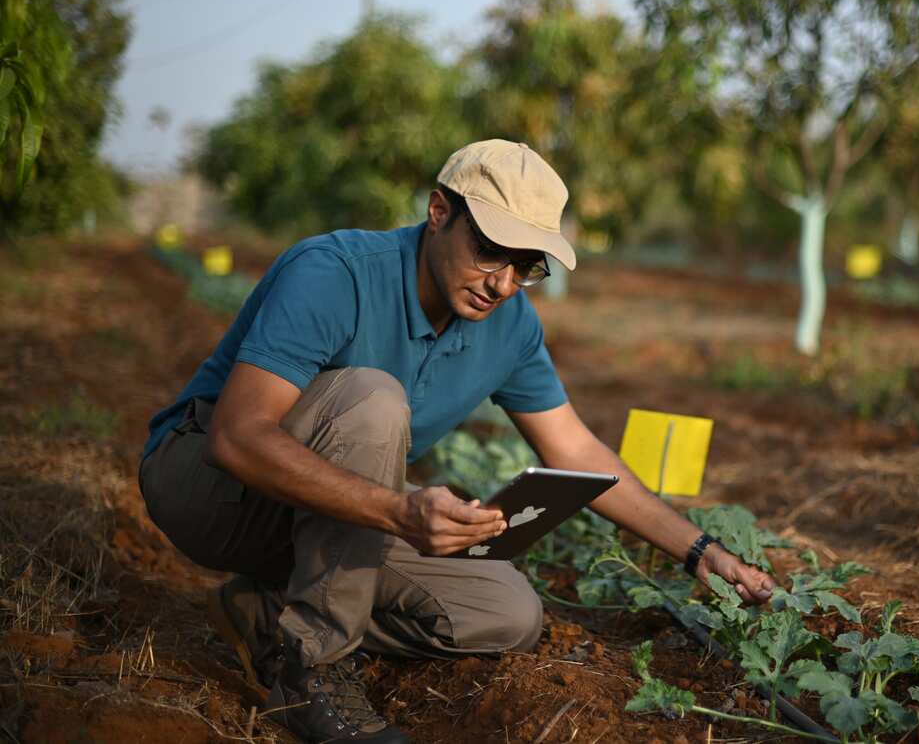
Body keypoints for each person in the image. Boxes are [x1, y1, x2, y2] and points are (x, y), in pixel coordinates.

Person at [138, 139, 775, 744]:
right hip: (208, 489)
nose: (502, 283)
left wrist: (701, 552)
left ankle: (262, 611)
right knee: (373, 399)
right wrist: (396, 511)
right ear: (439, 212)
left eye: (528, 267)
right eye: (492, 250)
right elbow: (238, 436)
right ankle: (314, 669)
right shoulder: (335, 272)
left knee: (505, 612)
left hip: (319, 513)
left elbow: (576, 453)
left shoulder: (512, 326)